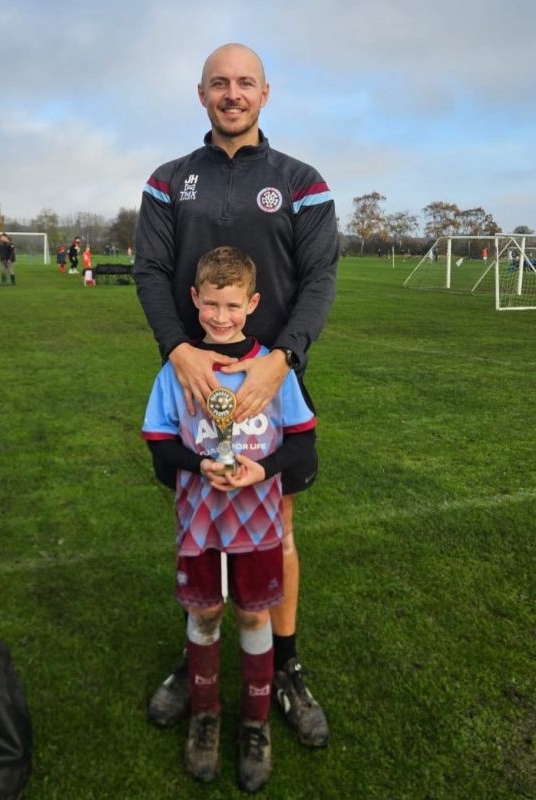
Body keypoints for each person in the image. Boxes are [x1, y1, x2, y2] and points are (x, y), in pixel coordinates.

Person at [134, 42, 337, 748]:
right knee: (200, 519)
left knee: (274, 526)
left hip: (271, 375)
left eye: (244, 82)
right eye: (219, 83)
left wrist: (283, 361)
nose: (232, 93)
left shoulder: (300, 180)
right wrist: (178, 350)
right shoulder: (168, 180)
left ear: (265, 93)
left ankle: (284, 666)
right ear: (200, 94)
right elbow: (152, 270)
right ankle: (199, 661)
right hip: (191, 377)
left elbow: (319, 280)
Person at [142, 246, 316, 791]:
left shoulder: (272, 370)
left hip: (257, 524)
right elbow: (158, 441)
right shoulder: (179, 370)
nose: (221, 316)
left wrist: (259, 470)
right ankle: (206, 715)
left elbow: (302, 441)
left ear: (253, 303)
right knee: (206, 613)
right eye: (211, 304)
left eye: (232, 305)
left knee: (252, 617)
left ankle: (255, 722)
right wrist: (199, 465)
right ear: (194, 300)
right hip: (200, 523)